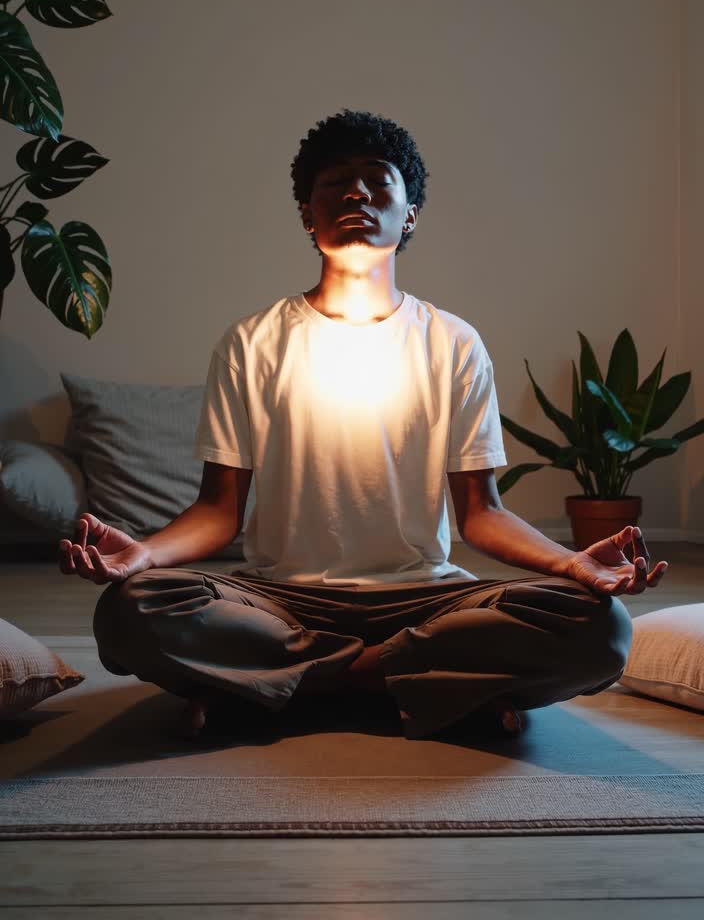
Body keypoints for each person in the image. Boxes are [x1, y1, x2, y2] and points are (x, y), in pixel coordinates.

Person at [58, 109, 669, 742]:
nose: (356, 193)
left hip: (423, 599)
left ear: (408, 214)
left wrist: (572, 566)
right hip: (278, 598)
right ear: (307, 212)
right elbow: (218, 512)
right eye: (336, 182)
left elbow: (481, 515)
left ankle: (282, 686)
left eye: (378, 180)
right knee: (132, 612)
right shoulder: (252, 342)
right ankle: (421, 686)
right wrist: (145, 554)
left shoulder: (453, 343)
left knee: (603, 628)